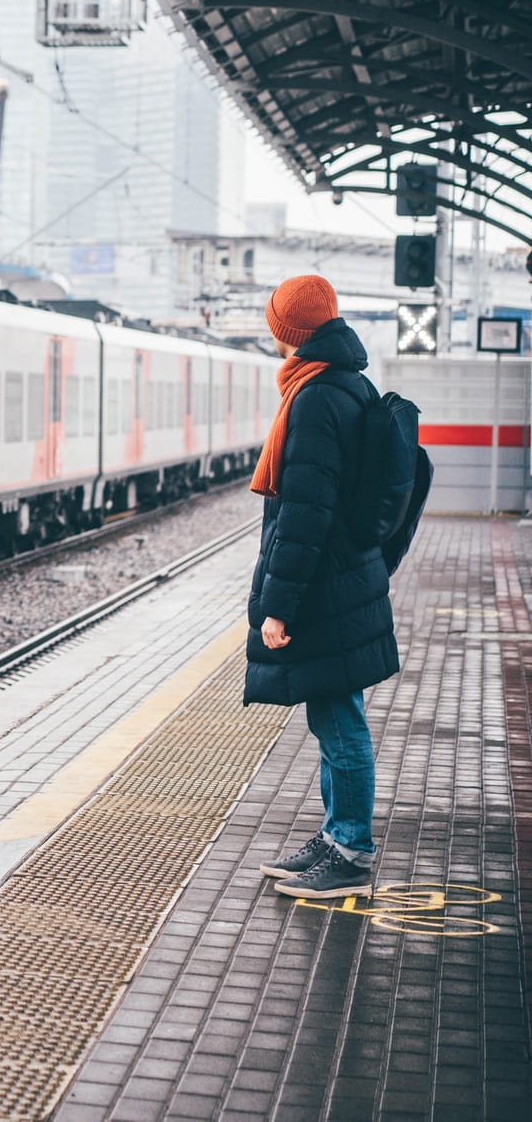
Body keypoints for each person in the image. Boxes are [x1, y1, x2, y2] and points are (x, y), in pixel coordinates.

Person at [242, 274, 400, 900]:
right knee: (334, 712)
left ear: (289, 332)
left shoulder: (313, 399)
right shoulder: (347, 384)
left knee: (338, 721)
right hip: (345, 578)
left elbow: (305, 515)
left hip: (325, 587)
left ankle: (351, 851)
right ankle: (336, 835)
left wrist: (277, 608)